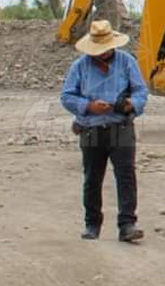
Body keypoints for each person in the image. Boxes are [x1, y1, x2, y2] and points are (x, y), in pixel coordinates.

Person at [60, 20, 148, 243]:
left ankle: (127, 224)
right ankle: (92, 224)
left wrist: (130, 104)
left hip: (121, 126)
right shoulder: (79, 66)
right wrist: (89, 106)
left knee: (126, 176)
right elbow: (67, 96)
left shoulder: (127, 62)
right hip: (91, 129)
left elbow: (141, 91)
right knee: (92, 178)